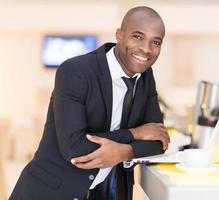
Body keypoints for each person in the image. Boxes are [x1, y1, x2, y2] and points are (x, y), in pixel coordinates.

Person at [9, 6, 170, 200]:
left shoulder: (145, 77)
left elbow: (158, 141)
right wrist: (135, 134)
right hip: (51, 192)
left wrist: (125, 152)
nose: (146, 49)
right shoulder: (75, 71)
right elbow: (75, 147)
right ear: (119, 35)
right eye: (137, 36)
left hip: (107, 193)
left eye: (156, 42)